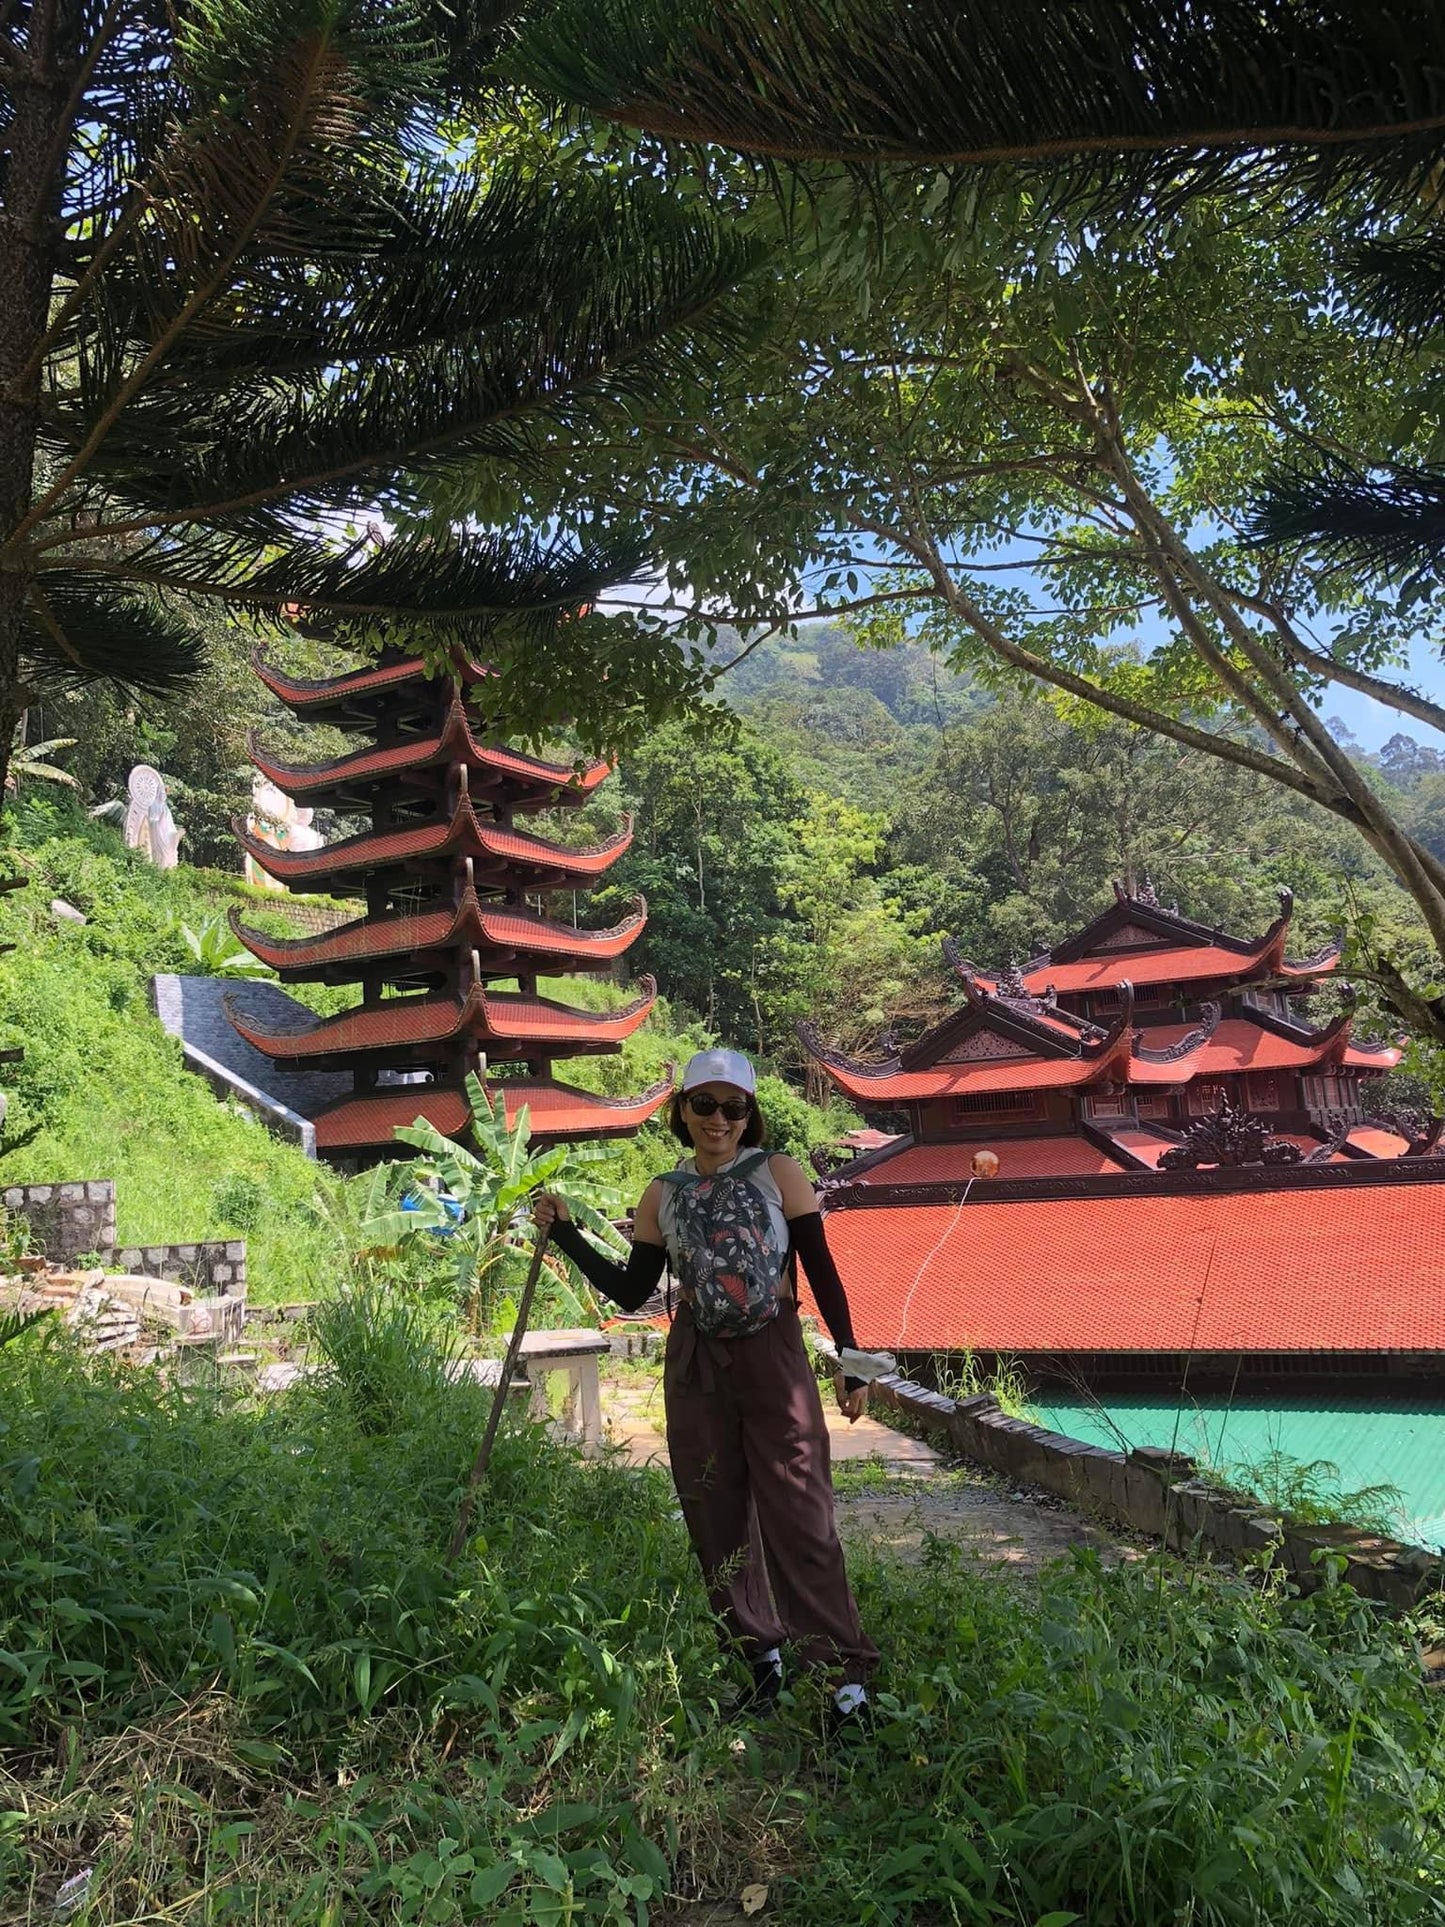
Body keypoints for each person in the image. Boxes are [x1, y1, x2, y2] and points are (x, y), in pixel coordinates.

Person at [534, 1047, 879, 1731]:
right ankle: (760, 1661)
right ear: (681, 1110)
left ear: (749, 1115)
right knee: (712, 1507)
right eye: (704, 1104)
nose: (718, 1118)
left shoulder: (779, 1172)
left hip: (772, 1349)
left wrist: (852, 1359)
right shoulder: (662, 1192)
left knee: (800, 1511)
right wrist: (567, 1235)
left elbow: (822, 1271)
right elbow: (634, 1289)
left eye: (733, 1106)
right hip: (695, 1354)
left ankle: (844, 1685)